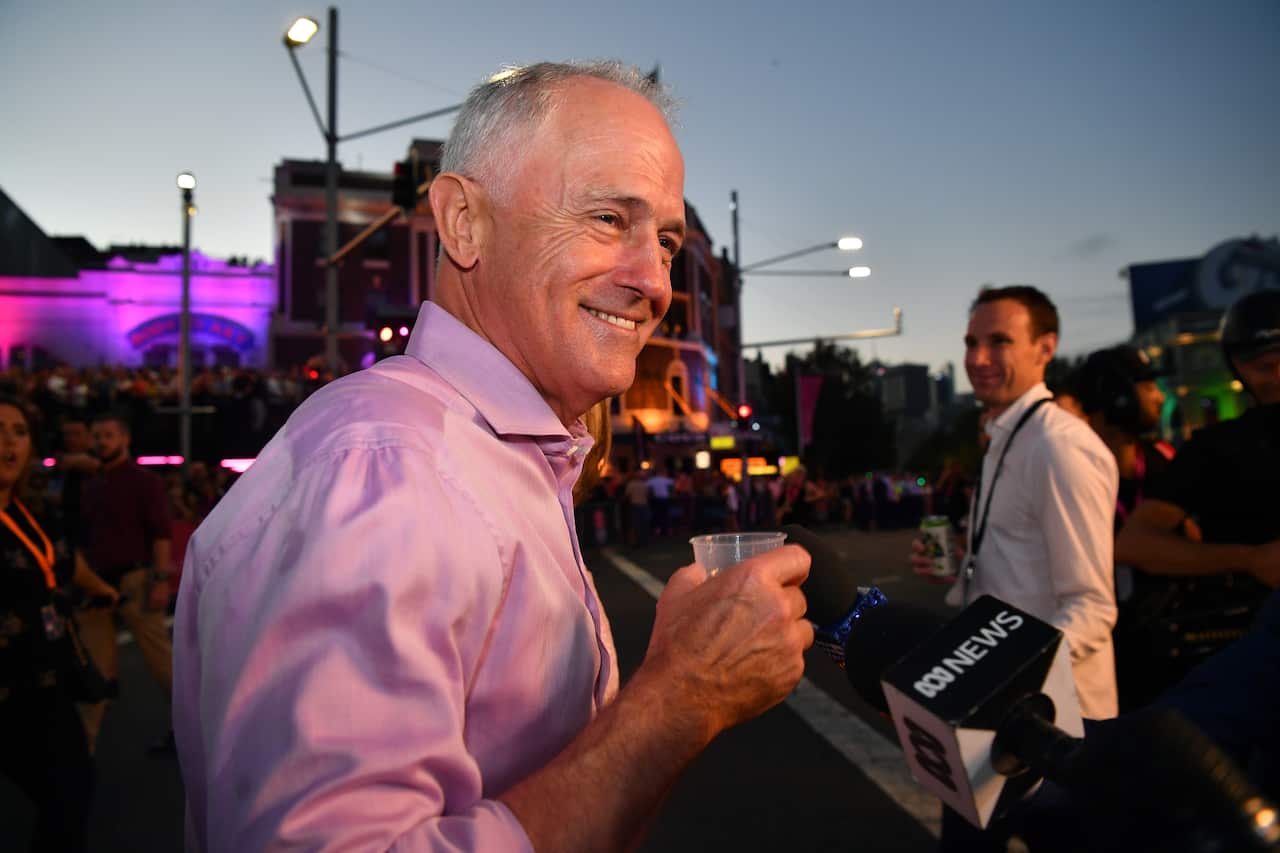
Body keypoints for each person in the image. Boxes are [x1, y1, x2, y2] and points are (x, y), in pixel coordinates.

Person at [173, 61, 813, 852]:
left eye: (668, 242)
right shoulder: (387, 468)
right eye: (610, 219)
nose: (654, 281)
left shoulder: (501, 460)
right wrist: (681, 696)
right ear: (464, 222)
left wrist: (669, 683)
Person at [913, 286, 1120, 719]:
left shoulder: (1057, 446)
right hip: (1014, 704)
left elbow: (1092, 608)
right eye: (971, 343)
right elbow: (1019, 561)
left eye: (999, 342)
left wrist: (1001, 668)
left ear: (1045, 349)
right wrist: (961, 561)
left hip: (1059, 719)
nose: (978, 359)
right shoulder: (1009, 437)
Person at [1115, 289, 1280, 673]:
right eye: (1262, 364)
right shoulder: (1213, 449)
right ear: (1236, 366)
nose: (1275, 375)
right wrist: (1253, 560)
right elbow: (1134, 544)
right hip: (1256, 651)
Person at [0, 396, 119, 852]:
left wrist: (102, 590)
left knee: (70, 790)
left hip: (46, 685)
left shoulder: (31, 512)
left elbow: (63, 564)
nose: (9, 442)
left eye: (18, 432)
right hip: (6, 689)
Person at [1075, 345, 1182, 710]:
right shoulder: (1071, 470)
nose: (1159, 397)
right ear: (1117, 397)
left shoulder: (1165, 460)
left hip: (1167, 641)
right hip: (1104, 653)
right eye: (1148, 386)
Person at [76, 411, 174, 754]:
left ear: (124, 439)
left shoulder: (143, 481)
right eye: (97, 436)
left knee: (163, 664)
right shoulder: (91, 484)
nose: (102, 442)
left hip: (135, 582)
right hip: (96, 585)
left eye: (108, 435)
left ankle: (191, 732)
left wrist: (161, 580)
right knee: (92, 667)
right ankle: (83, 749)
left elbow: (162, 533)